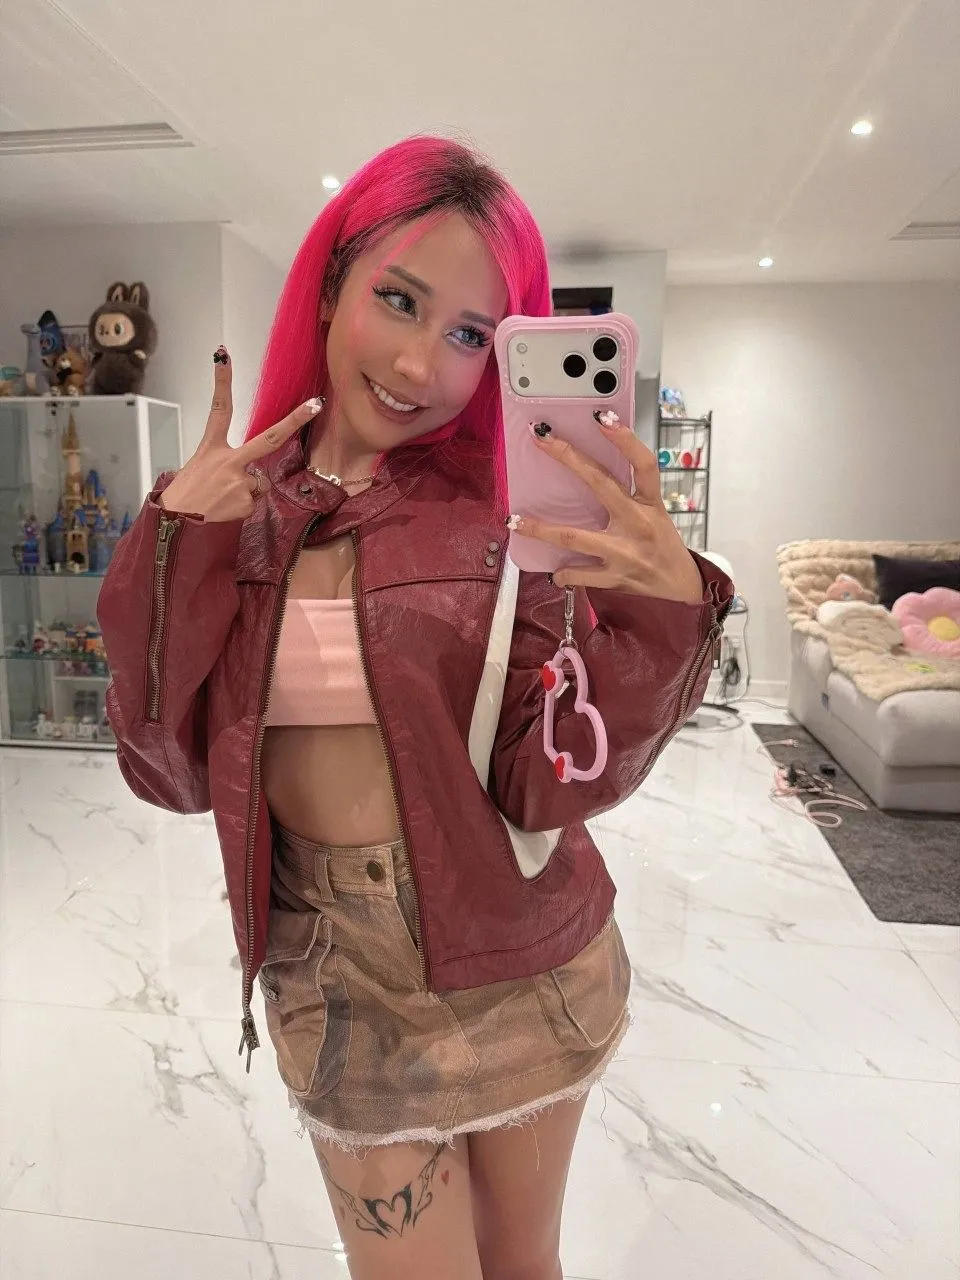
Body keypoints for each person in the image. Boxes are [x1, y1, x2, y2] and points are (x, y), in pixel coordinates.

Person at [98, 135, 732, 1280]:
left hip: (521, 949)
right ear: (331, 284)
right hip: (336, 971)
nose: (419, 362)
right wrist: (178, 544)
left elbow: (547, 778)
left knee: (521, 1265)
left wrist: (664, 615)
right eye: (398, 299)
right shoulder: (234, 511)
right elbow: (168, 771)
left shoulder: (507, 519)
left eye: (470, 334)